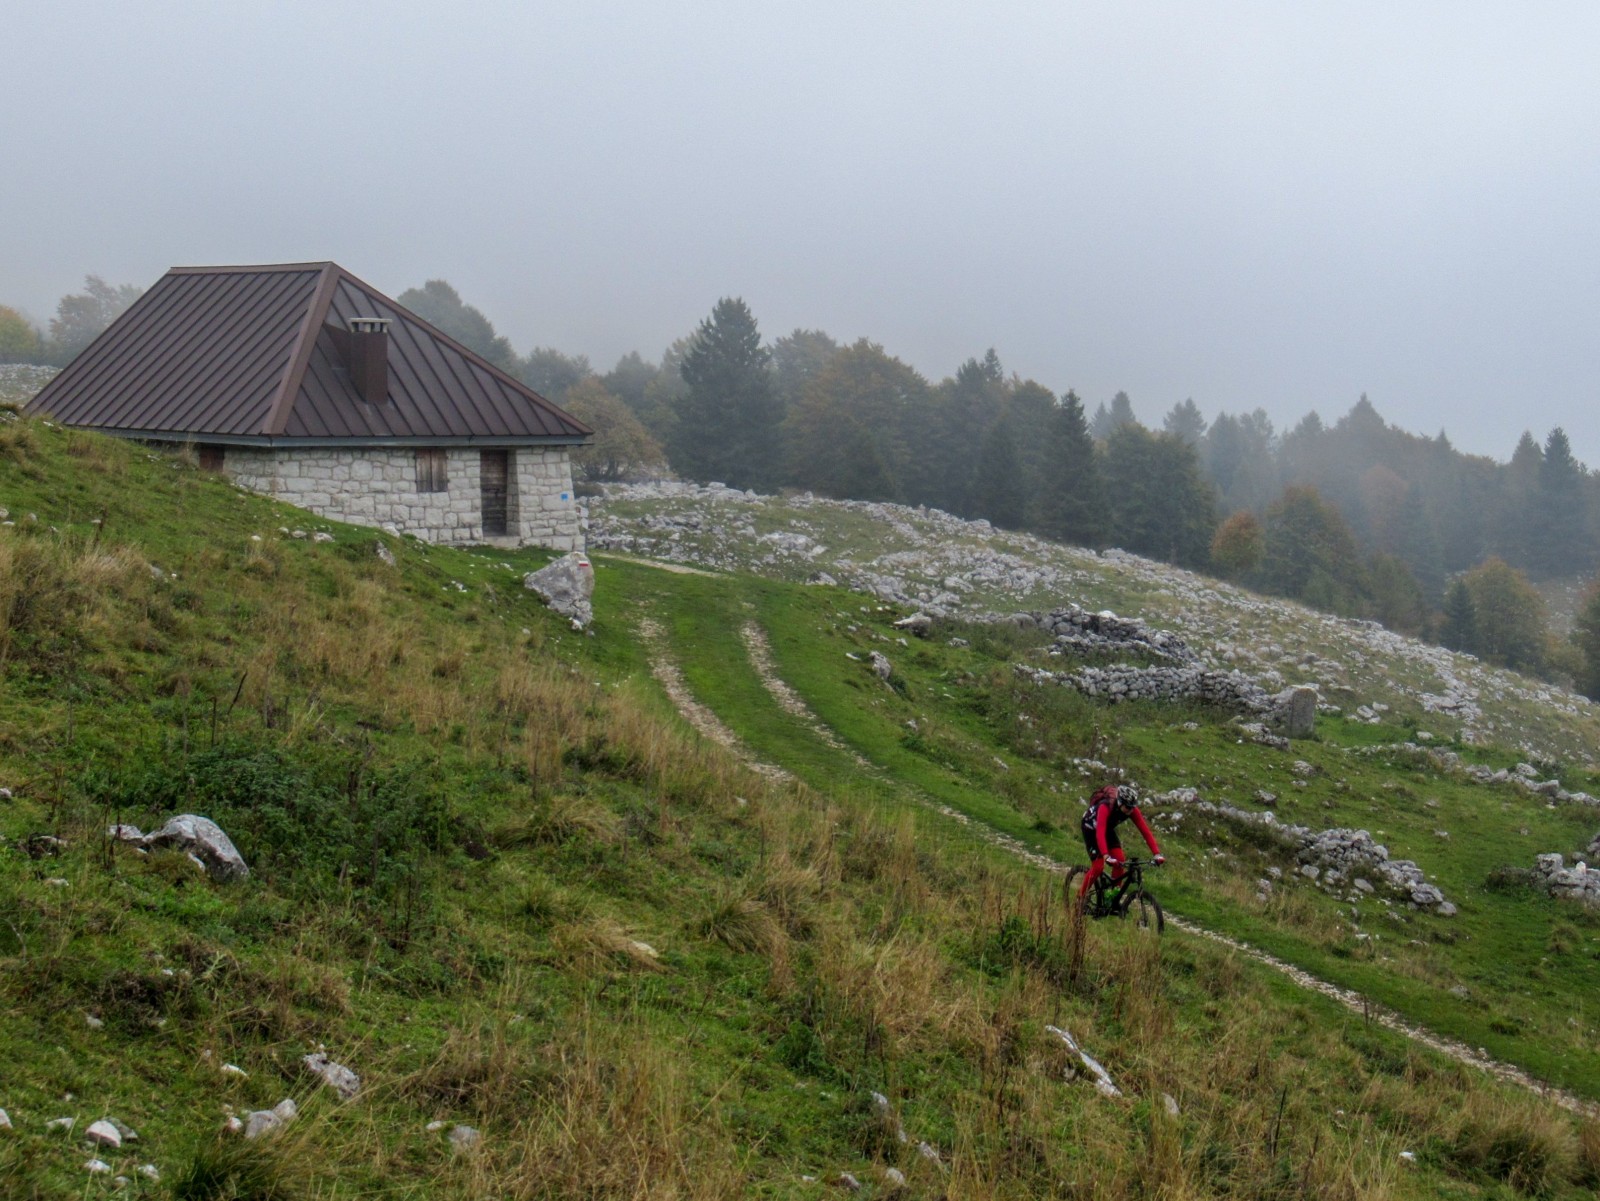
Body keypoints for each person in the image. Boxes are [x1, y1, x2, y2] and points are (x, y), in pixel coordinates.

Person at [1078, 783, 1164, 901]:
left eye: (1133, 807)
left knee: (1120, 860)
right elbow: (1099, 834)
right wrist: (1106, 856)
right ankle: (1080, 898)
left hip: (1107, 829)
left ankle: (1113, 896)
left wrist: (1156, 853)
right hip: (1090, 828)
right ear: (1120, 803)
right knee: (1098, 866)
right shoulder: (1106, 806)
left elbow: (1145, 832)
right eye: (1128, 807)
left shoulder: (1131, 809)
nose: (1130, 810)